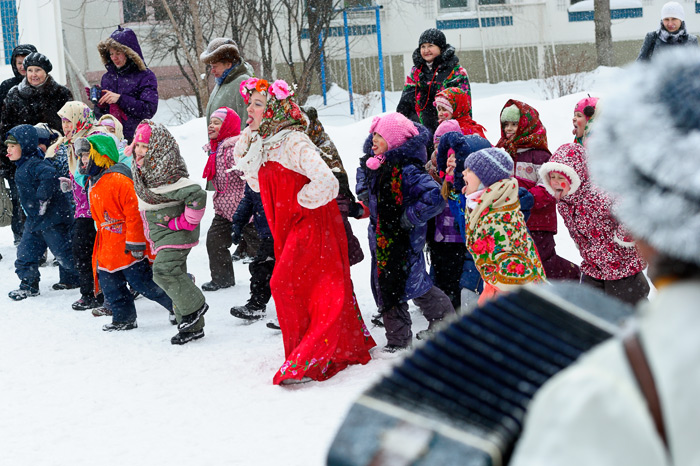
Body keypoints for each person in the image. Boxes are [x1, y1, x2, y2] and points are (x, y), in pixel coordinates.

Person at [509, 49, 700, 466]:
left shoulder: (593, 393)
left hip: (622, 274)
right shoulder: (569, 156)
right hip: (601, 270)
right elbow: (553, 180)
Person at [234, 77, 375, 384]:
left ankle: (308, 358)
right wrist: (247, 140)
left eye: (258, 104)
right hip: (285, 228)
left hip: (310, 225)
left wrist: (300, 202)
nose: (251, 109)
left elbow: (327, 181)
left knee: (285, 283)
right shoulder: (267, 142)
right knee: (306, 288)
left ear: (273, 108)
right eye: (250, 103)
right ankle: (310, 349)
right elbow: (257, 183)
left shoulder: (295, 141)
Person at [357, 112, 455, 352]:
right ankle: (398, 340)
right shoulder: (375, 165)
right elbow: (363, 189)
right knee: (387, 288)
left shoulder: (408, 171)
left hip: (404, 241)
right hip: (380, 239)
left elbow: (435, 198)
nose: (374, 139)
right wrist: (365, 182)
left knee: (415, 285)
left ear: (394, 141)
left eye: (380, 135)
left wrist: (409, 217)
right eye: (374, 134)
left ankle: (447, 322)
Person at [82, 133, 173, 331]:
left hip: (125, 245)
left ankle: (178, 305)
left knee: (144, 284)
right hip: (107, 247)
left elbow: (134, 213)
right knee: (111, 286)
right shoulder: (94, 181)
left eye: (87, 155)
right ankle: (124, 318)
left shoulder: (119, 180)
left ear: (101, 155)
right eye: (82, 157)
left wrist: (136, 243)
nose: (83, 161)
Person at [539, 143, 650, 305]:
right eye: (552, 177)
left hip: (622, 266)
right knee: (589, 307)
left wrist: (624, 236)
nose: (555, 183)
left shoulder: (597, 196)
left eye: (561, 178)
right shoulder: (565, 203)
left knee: (630, 309)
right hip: (593, 266)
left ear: (576, 177)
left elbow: (630, 209)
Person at [131, 121, 209, 344]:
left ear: (158, 149)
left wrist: (185, 222)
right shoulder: (145, 173)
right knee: (177, 275)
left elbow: (197, 195)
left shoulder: (168, 176)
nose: (139, 151)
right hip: (160, 235)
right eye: (137, 145)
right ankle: (192, 327)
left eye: (145, 147)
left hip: (175, 232)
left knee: (163, 271)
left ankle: (195, 307)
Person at [446, 146, 546, 305]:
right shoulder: (489, 205)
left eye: (470, 170)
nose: (463, 173)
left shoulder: (496, 217)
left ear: (485, 180)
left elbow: (512, 272)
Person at [497, 100, 580, 281]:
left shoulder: (540, 155)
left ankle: (575, 277)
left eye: (514, 124)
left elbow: (549, 186)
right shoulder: (501, 152)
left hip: (539, 221)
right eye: (506, 124)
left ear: (526, 125)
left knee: (544, 261)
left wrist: (530, 198)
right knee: (521, 263)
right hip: (512, 220)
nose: (509, 128)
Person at [1, 52, 72, 244]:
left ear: (46, 72)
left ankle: (61, 243)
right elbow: (6, 127)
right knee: (30, 203)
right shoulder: (14, 94)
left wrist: (52, 140)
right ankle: (36, 244)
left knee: (56, 199)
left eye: (38, 70)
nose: (33, 74)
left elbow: (68, 122)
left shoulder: (60, 93)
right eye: (30, 70)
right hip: (26, 158)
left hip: (55, 155)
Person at [5, 125, 79, 300]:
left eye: (12, 146)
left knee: (65, 255)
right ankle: (28, 284)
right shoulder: (22, 165)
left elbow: (50, 176)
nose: (8, 150)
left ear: (25, 145)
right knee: (25, 253)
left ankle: (84, 277)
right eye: (7, 146)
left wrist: (42, 199)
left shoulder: (36, 164)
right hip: (34, 220)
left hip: (52, 220)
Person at [46, 102, 106, 311]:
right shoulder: (73, 143)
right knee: (84, 252)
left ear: (80, 118)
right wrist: (71, 185)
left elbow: (100, 171)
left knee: (88, 251)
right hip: (83, 208)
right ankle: (92, 293)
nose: (65, 126)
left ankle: (96, 293)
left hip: (97, 208)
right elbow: (82, 177)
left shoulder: (93, 139)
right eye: (63, 121)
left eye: (69, 120)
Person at [201, 107, 245, 291]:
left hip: (245, 210)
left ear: (228, 126)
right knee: (215, 241)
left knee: (262, 249)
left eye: (217, 123)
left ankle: (279, 282)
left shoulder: (236, 148)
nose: (211, 126)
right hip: (223, 208)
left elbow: (248, 174)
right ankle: (222, 279)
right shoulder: (216, 148)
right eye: (210, 122)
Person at [396, 28, 471, 136]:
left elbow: (464, 105)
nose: (426, 50)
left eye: (430, 45)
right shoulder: (416, 72)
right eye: (423, 46)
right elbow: (405, 102)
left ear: (441, 48)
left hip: (449, 127)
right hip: (421, 129)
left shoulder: (455, 71)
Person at [94, 26, 158, 142]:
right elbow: (100, 117)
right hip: (111, 141)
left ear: (129, 54)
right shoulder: (107, 78)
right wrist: (100, 105)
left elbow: (148, 110)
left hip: (136, 140)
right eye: (111, 53)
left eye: (118, 53)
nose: (114, 58)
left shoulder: (145, 76)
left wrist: (120, 99)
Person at [229, 184, 275, 321]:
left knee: (288, 272)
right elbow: (248, 200)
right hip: (268, 232)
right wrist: (238, 223)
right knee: (261, 267)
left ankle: (295, 311)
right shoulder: (253, 176)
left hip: (287, 229)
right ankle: (257, 306)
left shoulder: (278, 169)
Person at [200, 38, 254, 129]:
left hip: (234, 143)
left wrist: (238, 142)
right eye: (211, 67)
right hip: (221, 143)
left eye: (215, 66)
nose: (212, 71)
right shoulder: (222, 82)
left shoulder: (242, 83)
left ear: (228, 64)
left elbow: (246, 124)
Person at [0, 43, 36, 113]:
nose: (22, 67)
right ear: (14, 64)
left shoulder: (45, 85)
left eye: (26, 62)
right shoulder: (6, 86)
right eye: (19, 63)